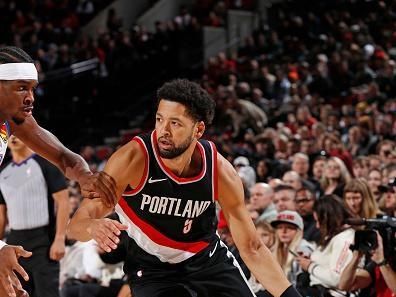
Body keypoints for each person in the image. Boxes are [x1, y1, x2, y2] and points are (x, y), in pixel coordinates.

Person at [67, 79, 302, 297]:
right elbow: (75, 226)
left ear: (198, 130)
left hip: (207, 260)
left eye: (175, 123)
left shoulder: (220, 171)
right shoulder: (133, 159)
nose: (163, 131)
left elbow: (252, 247)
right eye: (159, 119)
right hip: (152, 268)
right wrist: (92, 225)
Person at [0, 46, 117, 297]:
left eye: (32, 88)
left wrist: (85, 176)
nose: (31, 97)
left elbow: (64, 156)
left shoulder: (12, 119)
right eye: (22, 87)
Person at [0, 136, 70, 297]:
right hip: (14, 242)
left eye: (18, 133)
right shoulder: (2, 172)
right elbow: (1, 214)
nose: (13, 137)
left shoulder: (46, 164)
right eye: (9, 134)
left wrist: (59, 239)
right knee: (14, 293)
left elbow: (63, 202)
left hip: (43, 241)